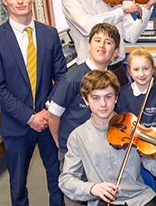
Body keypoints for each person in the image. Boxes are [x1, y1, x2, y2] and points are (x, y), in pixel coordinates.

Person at [0, 0, 66, 206]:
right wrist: (29, 117)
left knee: (57, 176)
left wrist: (47, 111)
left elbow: (61, 77)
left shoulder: (49, 34)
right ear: (5, 0)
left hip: (50, 120)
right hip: (16, 125)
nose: (19, 0)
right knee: (18, 185)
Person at [59, 70, 156, 206]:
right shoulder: (78, 137)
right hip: (102, 201)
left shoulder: (132, 128)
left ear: (116, 98)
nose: (103, 104)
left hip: (138, 199)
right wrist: (92, 188)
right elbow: (66, 180)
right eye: (95, 98)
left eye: (108, 97)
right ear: (86, 100)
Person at [47, 23, 120, 197]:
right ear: (88, 46)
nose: (102, 45)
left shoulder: (113, 79)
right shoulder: (72, 78)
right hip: (74, 150)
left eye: (108, 42)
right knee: (76, 194)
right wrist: (61, 145)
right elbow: (53, 116)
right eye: (97, 40)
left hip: (98, 149)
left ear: (116, 52)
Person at [116, 49, 156, 128]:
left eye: (146, 69)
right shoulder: (122, 93)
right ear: (129, 72)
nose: (141, 74)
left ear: (153, 69)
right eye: (136, 69)